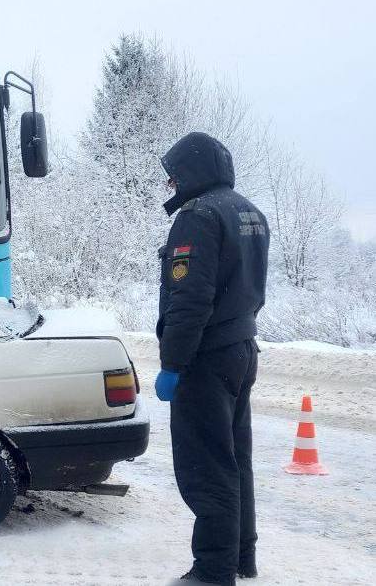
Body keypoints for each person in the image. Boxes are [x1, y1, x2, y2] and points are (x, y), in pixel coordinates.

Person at [153, 132, 269, 586]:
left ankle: (213, 571)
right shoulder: (249, 212)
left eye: (174, 176)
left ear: (193, 172)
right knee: (236, 458)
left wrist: (173, 364)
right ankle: (242, 555)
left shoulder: (197, 218)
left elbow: (190, 300)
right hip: (242, 350)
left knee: (207, 465)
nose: (171, 186)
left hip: (206, 357)